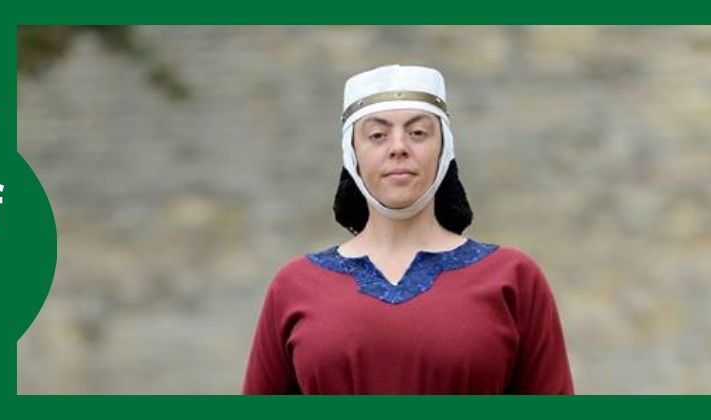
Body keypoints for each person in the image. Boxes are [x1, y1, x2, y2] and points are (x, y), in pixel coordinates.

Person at [242, 65, 574, 394]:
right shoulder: (295, 286)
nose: (398, 147)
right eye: (377, 134)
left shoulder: (512, 278)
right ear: (351, 152)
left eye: (418, 133)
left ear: (443, 148)